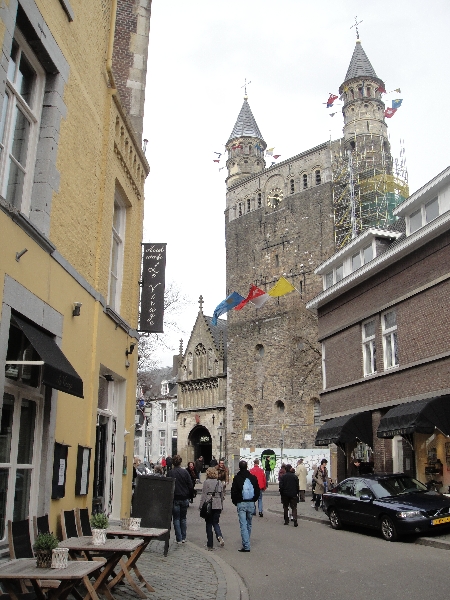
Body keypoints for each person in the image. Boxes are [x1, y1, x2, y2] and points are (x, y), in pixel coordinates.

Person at [230, 460, 260, 552]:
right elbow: (257, 491)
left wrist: (236, 502)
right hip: (251, 503)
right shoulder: (253, 478)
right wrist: (254, 500)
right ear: (247, 467)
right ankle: (246, 541)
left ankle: (246, 545)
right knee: (249, 524)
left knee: (243, 524)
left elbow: (233, 492)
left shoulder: (237, 478)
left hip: (241, 503)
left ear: (239, 467)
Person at [166, 455, 193, 543]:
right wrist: (190, 495)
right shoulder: (185, 472)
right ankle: (184, 537)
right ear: (180, 462)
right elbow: (190, 484)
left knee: (176, 518)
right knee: (183, 518)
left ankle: (179, 538)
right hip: (184, 497)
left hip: (175, 497)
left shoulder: (170, 473)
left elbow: (168, 486)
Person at [199, 467, 225, 551]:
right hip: (217, 504)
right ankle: (219, 535)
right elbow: (222, 495)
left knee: (209, 524)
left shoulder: (206, 482)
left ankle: (210, 544)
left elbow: (203, 495)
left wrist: (201, 505)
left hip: (209, 504)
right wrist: (221, 505)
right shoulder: (219, 482)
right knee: (216, 522)